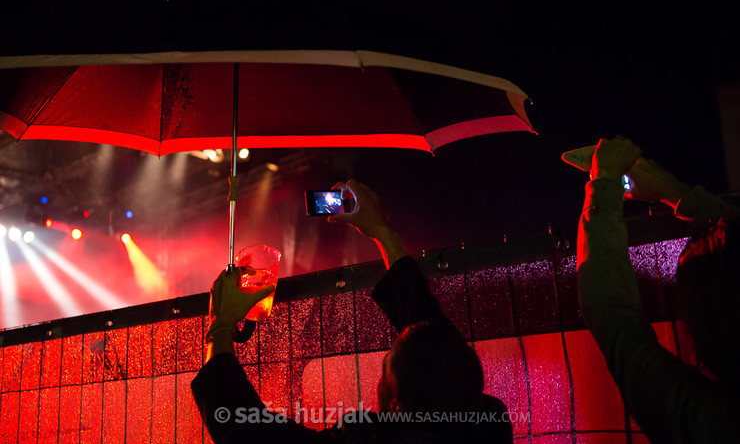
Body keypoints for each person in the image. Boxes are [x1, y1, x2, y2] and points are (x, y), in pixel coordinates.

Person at [191, 180, 514, 443]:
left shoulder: (372, 439)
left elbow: (245, 433)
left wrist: (220, 326)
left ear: (394, 403)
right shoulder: (489, 427)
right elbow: (434, 352)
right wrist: (384, 233)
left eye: (385, 371)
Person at [577, 137, 740, 443]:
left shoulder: (707, 422)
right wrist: (676, 193)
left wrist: (603, 184)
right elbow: (612, 310)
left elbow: (613, 313)